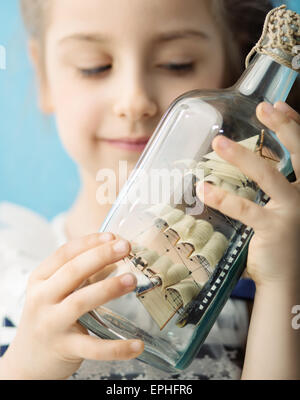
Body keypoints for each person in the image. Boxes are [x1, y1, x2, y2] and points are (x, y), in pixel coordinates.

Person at [0, 0, 299, 380]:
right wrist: (26, 365)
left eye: (177, 64)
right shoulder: (8, 269)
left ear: (232, 62)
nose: (135, 102)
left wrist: (281, 283)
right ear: (43, 75)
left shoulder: (267, 283)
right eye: (94, 67)